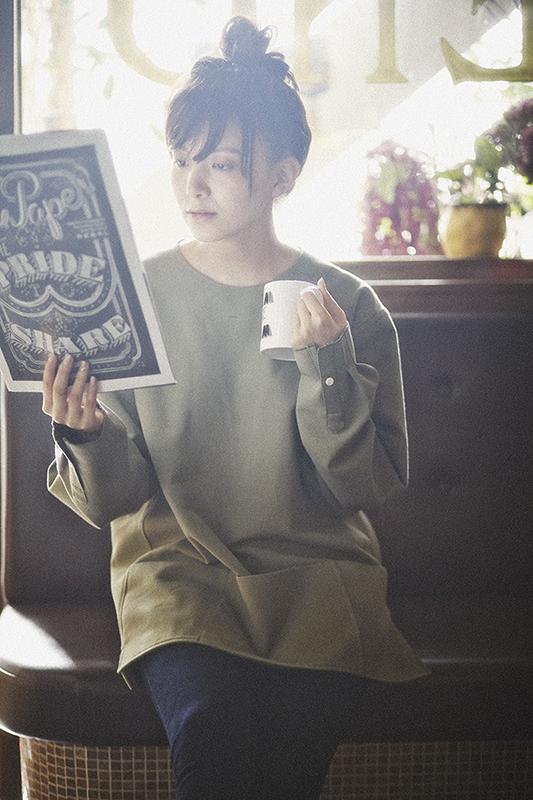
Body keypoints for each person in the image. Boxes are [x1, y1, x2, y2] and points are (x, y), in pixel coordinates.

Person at [43, 16, 427, 800]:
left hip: (317, 577)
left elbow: (360, 487)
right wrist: (83, 433)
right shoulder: (131, 296)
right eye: (183, 160)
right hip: (177, 576)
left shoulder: (347, 305)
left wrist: (326, 364)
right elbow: (111, 500)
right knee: (211, 730)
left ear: (283, 174)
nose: (193, 184)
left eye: (219, 164)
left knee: (289, 749)